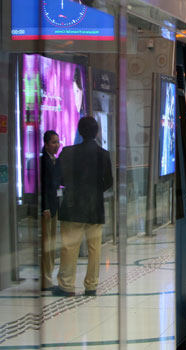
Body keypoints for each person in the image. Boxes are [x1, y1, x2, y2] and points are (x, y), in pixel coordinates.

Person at [53, 117, 113, 297]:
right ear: (96, 133)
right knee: (94, 248)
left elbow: (59, 178)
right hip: (94, 207)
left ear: (79, 131)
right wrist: (94, 191)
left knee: (69, 247)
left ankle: (66, 286)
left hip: (72, 206)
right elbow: (109, 181)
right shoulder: (103, 154)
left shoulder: (67, 152)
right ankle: (91, 286)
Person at [40, 130, 61, 291]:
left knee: (52, 243)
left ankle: (49, 277)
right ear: (46, 144)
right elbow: (43, 186)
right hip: (47, 209)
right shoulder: (44, 161)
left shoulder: (54, 160)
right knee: (47, 244)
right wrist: (45, 206)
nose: (56, 145)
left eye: (57, 141)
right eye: (53, 142)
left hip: (54, 207)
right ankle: (46, 280)